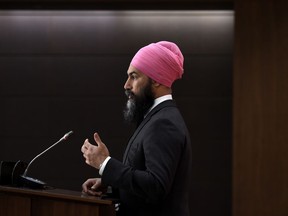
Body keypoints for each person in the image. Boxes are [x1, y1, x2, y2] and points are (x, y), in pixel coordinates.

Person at [81, 41, 192, 216]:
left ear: (156, 79)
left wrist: (105, 163)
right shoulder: (157, 117)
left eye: (134, 76)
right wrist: (113, 184)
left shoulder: (163, 123)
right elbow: (146, 182)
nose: (126, 85)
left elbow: (156, 186)